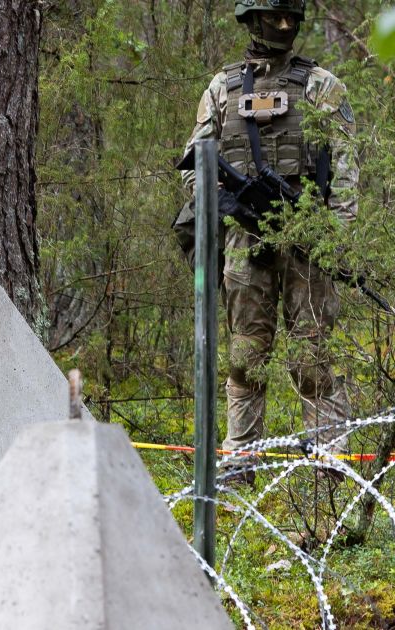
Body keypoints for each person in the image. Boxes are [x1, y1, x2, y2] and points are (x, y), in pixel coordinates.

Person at [181, 0, 359, 483]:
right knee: (246, 353)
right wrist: (232, 204)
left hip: (309, 242)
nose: (284, 27)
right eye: (272, 17)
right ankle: (241, 457)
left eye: (291, 18)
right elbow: (195, 168)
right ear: (251, 20)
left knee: (314, 354)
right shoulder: (222, 88)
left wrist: (334, 242)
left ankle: (328, 458)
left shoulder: (323, 86)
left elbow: (344, 171)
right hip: (246, 241)